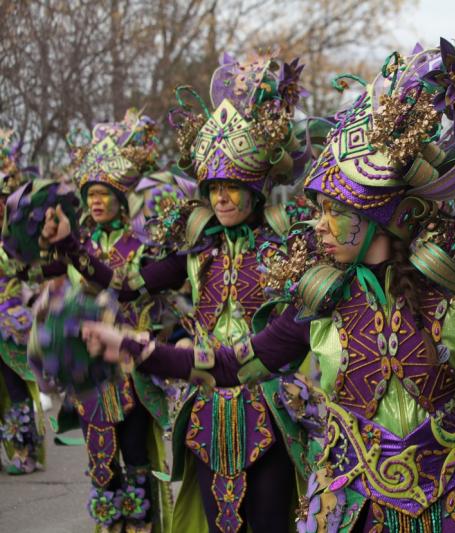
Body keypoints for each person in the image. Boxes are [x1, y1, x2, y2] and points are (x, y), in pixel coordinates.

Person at [79, 39, 455, 532]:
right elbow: (233, 365)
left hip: (454, 504)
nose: (318, 224)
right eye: (316, 211)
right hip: (354, 508)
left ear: (383, 216)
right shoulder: (321, 298)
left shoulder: (453, 296)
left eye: (332, 212)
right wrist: (136, 349)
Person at [42, 53, 317, 533]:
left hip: (269, 408)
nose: (222, 198)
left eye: (233, 186)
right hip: (207, 407)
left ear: (256, 187)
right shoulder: (197, 252)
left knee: (271, 522)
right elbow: (124, 285)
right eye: (214, 188)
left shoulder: (287, 247)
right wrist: (68, 242)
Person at [33, 110, 173, 532]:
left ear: (122, 199)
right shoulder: (82, 240)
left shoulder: (143, 244)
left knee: (134, 455)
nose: (95, 201)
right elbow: (57, 284)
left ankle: (141, 525)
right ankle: (111, 526)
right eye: (90, 194)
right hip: (90, 366)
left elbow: (128, 288)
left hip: (130, 365)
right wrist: (46, 250)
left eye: (104, 194)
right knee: (100, 458)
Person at [0, 130, 46, 475]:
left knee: (16, 388)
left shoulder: (17, 238)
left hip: (11, 325)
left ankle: (25, 452)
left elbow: (33, 274)